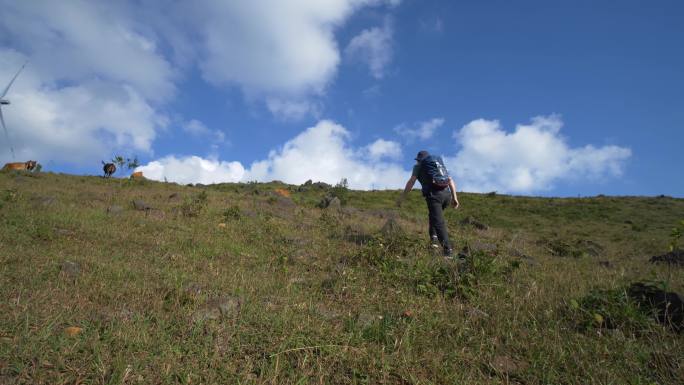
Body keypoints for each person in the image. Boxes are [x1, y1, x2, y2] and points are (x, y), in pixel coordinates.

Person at [396, 150, 459, 257]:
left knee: (439, 222)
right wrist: (455, 198)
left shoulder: (418, 167)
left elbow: (411, 181)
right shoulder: (438, 165)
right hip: (447, 195)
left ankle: (448, 252)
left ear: (419, 160)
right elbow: (450, 180)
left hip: (434, 195)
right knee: (433, 216)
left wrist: (402, 197)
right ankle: (433, 239)